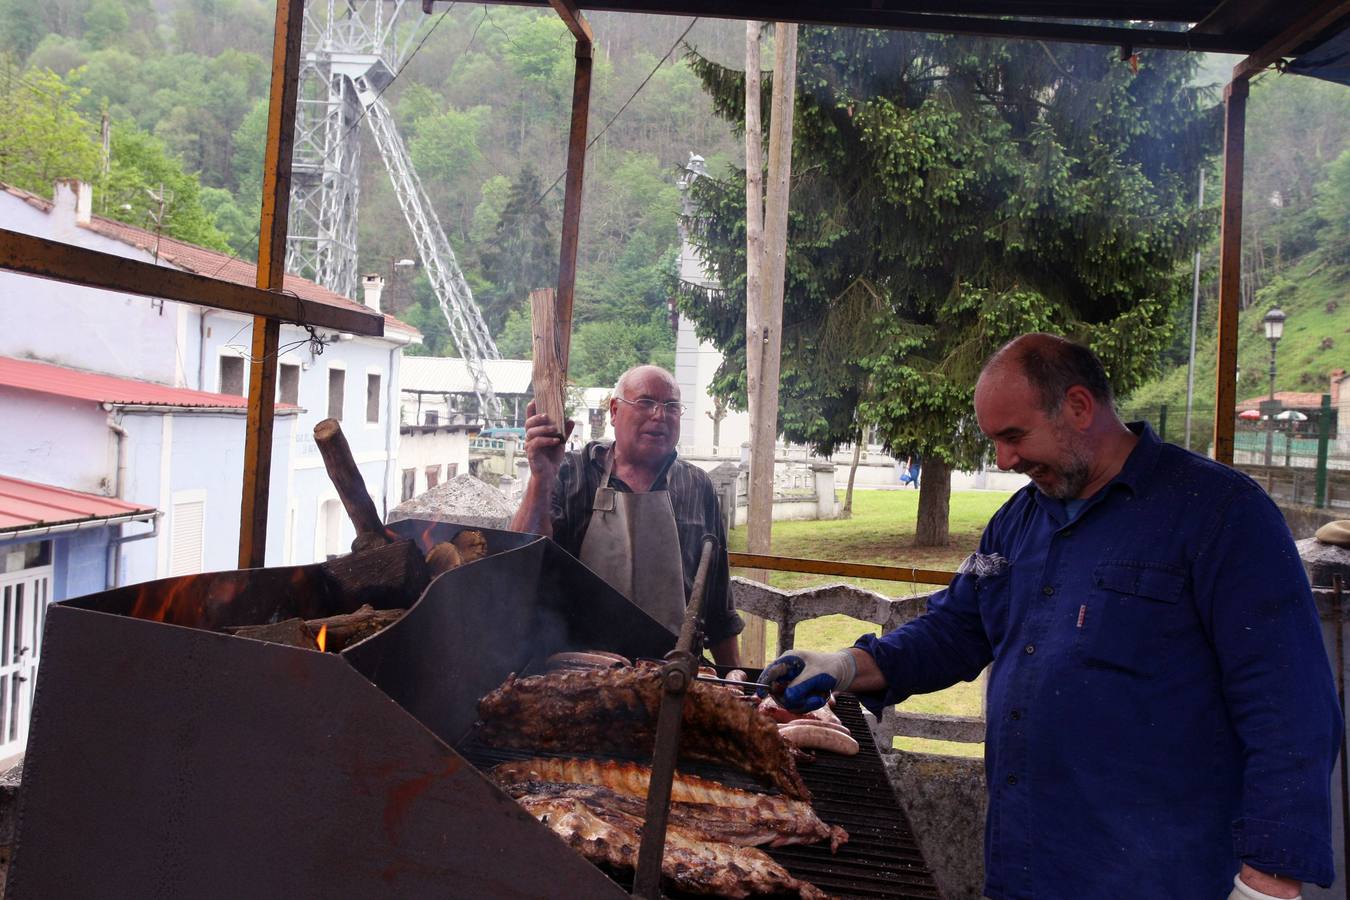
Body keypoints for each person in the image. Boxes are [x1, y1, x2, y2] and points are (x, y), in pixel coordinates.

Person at [761, 334, 1341, 899]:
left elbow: (1290, 708)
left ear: (1080, 407)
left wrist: (1268, 881)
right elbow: (955, 629)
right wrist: (844, 664)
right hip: (1028, 863)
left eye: (1014, 436)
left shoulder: (1223, 515)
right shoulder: (1017, 521)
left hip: (1161, 875)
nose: (1003, 459)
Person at [512, 364, 742, 666]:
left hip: (671, 674)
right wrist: (541, 478)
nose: (659, 415)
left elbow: (717, 607)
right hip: (576, 672)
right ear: (615, 411)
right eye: (646, 402)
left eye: (671, 406)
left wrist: (736, 682)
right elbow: (522, 562)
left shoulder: (697, 487)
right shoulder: (570, 473)